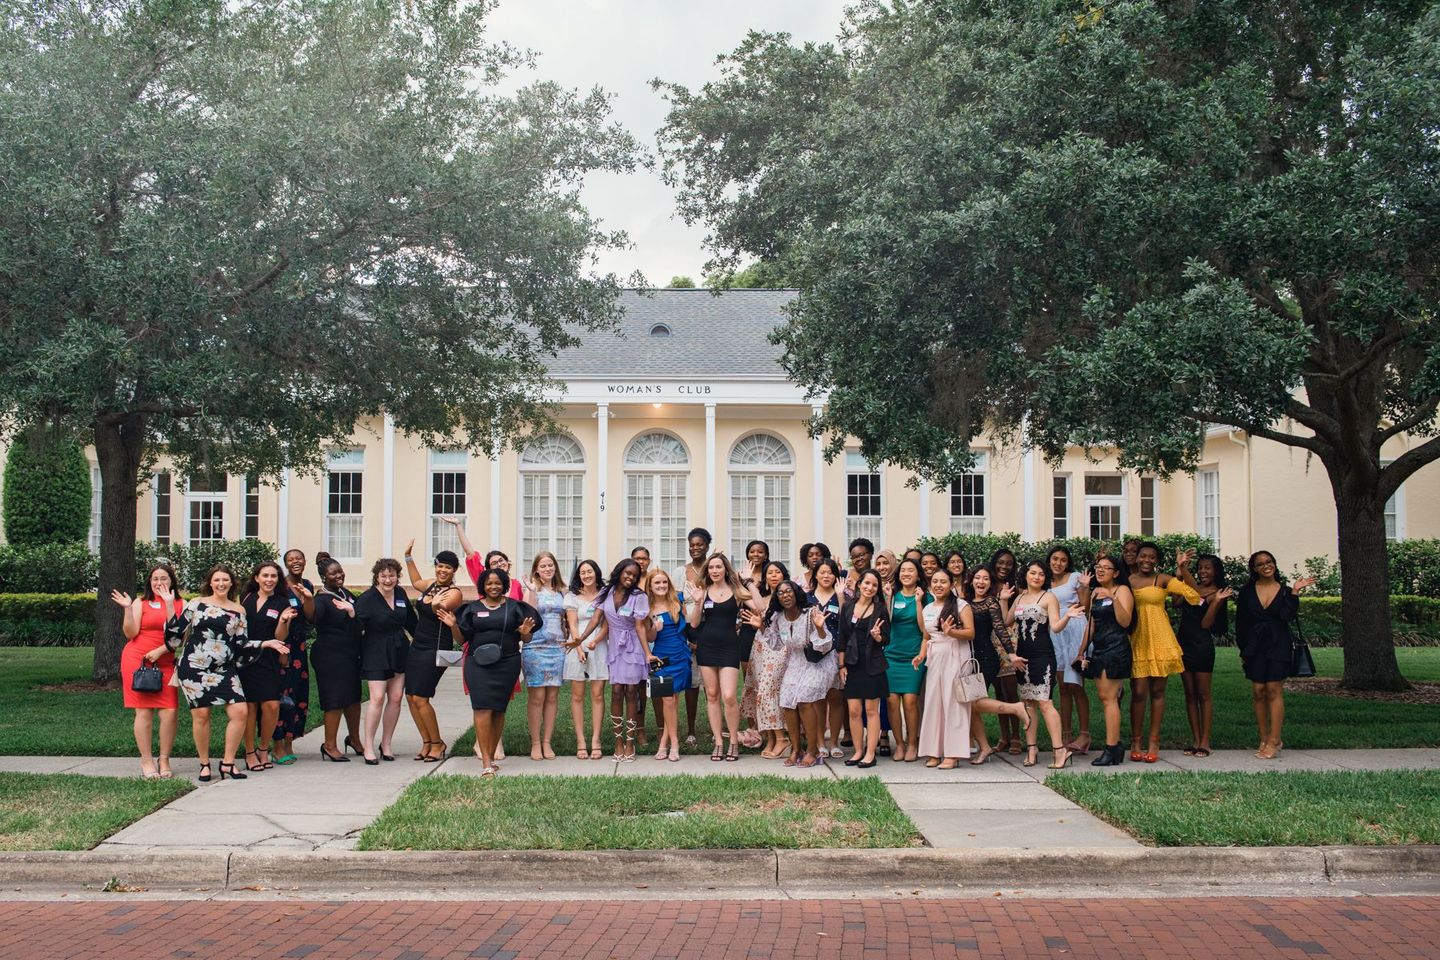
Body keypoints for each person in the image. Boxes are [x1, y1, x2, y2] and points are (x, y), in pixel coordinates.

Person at [165, 565, 288, 782]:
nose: (221, 584)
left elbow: (240, 642)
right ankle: (204, 764)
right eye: (217, 580)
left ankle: (228, 763)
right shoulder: (197, 603)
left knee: (240, 712)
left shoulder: (238, 610)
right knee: (202, 716)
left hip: (224, 668)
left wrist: (266, 643)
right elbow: (175, 635)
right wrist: (168, 606)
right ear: (210, 583)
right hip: (194, 667)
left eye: (225, 580)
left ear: (232, 584)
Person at [450, 568, 539, 776]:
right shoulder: (470, 609)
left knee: (499, 709)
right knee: (482, 708)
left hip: (507, 663)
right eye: (489, 583)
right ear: (483, 585)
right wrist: (454, 626)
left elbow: (526, 639)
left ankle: (490, 753)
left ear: (504, 585)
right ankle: (486, 762)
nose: (493, 586)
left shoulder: (515, 608)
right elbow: (462, 640)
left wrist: (525, 634)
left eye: (498, 583)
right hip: (477, 664)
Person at [1004, 561, 1084, 769]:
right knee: (1028, 703)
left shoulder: (1049, 597)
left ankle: (1060, 750)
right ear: (1026, 575)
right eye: (1033, 573)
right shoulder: (1020, 597)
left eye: (1041, 574)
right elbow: (1006, 621)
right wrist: (1004, 600)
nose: (1036, 577)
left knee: (1045, 702)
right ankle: (1032, 748)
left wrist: (1067, 615)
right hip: (1023, 656)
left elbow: (1056, 627)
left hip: (1043, 656)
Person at [1237, 551, 1316, 760]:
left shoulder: (1285, 591)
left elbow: (1286, 616)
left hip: (1278, 644)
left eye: (1269, 562)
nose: (1265, 566)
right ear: (1254, 568)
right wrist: (1243, 649)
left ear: (1275, 564)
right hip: (1254, 646)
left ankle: (1275, 739)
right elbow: (1241, 623)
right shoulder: (1246, 592)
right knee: (1258, 690)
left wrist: (1295, 593)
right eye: (1260, 564)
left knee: (1273, 689)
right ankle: (1263, 737)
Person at [1127, 542, 1200, 763]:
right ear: (1136, 558)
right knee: (1138, 692)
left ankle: (1154, 741)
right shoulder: (1128, 581)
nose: (1146, 560)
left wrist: (1183, 570)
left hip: (1160, 639)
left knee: (1158, 691)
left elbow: (1193, 595)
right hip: (1137, 638)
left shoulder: (1164, 579)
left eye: (1151, 557)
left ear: (1157, 560)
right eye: (1142, 556)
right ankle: (1136, 740)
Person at [577, 558, 655, 761]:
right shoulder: (606, 593)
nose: (631, 577)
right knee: (616, 692)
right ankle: (618, 742)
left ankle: (630, 743)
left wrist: (647, 653)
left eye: (635, 576)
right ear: (619, 571)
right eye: (628, 573)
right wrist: (582, 638)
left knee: (631, 692)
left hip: (633, 646)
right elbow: (596, 619)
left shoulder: (639, 596)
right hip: (615, 647)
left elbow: (639, 627)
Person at [110, 563, 184, 779]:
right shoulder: (141, 602)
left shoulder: (181, 603)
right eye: (155, 579)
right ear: (149, 582)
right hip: (139, 660)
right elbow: (130, 633)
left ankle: (164, 759)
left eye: (164, 578)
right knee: (144, 712)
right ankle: (146, 760)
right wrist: (127, 609)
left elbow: (178, 636)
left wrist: (170, 606)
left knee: (170, 712)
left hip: (165, 659)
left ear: (172, 581)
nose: (159, 582)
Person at [685, 552, 753, 761]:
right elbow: (694, 623)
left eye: (718, 567)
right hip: (707, 647)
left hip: (730, 647)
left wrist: (749, 581)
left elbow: (759, 607)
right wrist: (697, 603)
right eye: (711, 568)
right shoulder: (703, 592)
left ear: (726, 569)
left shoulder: (736, 589)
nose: (714, 571)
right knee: (712, 695)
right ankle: (718, 742)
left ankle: (733, 740)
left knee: (729, 695)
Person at [402, 544, 464, 762]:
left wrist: (435, 603)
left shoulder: (454, 593)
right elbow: (416, 581)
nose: (442, 570)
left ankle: (438, 743)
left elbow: (440, 610)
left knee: (421, 697)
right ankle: (426, 742)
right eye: (440, 566)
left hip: (436, 646)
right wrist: (408, 557)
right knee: (410, 697)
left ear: (454, 570)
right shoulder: (429, 585)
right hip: (417, 645)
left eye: (448, 567)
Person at [354, 558, 416, 764]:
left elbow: (411, 623)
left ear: (398, 577)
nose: (388, 580)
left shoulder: (400, 594)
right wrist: (350, 613)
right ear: (377, 577)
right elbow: (355, 628)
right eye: (384, 576)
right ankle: (369, 746)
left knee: (396, 697)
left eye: (392, 575)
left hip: (399, 649)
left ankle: (386, 743)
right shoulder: (367, 598)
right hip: (375, 650)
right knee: (378, 698)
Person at [768, 578, 835, 767]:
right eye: (780, 593)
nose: (785, 595)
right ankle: (796, 749)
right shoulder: (778, 617)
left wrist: (820, 628)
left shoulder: (810, 613)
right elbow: (776, 645)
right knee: (787, 701)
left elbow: (825, 645)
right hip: (796, 661)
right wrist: (761, 627)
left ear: (796, 593)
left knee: (805, 698)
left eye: (789, 591)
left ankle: (813, 750)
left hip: (818, 661)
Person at [239, 561, 298, 771]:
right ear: (256, 578)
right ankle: (249, 752)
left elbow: (280, 636)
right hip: (244, 659)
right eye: (265, 575)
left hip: (268, 659)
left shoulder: (282, 603)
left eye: (273, 576)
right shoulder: (245, 599)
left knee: (271, 705)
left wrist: (283, 620)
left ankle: (264, 749)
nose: (269, 580)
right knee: (249, 707)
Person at [914, 569, 975, 768]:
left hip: (955, 655)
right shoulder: (927, 608)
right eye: (935, 581)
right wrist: (921, 655)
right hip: (935, 658)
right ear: (930, 585)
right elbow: (926, 637)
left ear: (951, 585)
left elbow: (971, 633)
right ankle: (933, 751)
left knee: (953, 703)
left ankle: (953, 753)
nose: (939, 585)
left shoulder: (961, 605)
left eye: (943, 581)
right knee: (933, 703)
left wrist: (952, 632)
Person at [1079, 555, 1135, 766]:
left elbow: (1125, 621)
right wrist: (1081, 651)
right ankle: (1115, 747)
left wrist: (1112, 597)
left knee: (1109, 698)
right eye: (1098, 567)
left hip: (1116, 648)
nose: (1100, 571)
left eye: (1106, 568)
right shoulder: (1095, 592)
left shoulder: (1122, 590)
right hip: (1099, 649)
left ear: (1116, 572)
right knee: (1105, 697)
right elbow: (1091, 624)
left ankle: (1112, 748)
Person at [967, 565, 1025, 760]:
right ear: (971, 580)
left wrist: (1011, 654)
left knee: (974, 703)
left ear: (990, 583)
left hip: (986, 659)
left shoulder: (990, 603)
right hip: (968, 659)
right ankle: (983, 747)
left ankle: (1015, 708)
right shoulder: (964, 602)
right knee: (969, 704)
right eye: (977, 577)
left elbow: (1000, 629)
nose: (980, 582)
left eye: (985, 579)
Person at [1178, 554, 1232, 759]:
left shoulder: (1219, 593)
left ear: (1216, 571)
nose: (1202, 572)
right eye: (1200, 568)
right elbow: (1177, 601)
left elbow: (1206, 624)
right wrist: (1181, 574)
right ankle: (1195, 739)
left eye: (1207, 568)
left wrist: (1217, 602)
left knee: (1203, 694)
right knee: (1189, 694)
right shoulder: (1191, 588)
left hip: (1202, 647)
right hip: (1183, 644)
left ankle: (1205, 741)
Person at [310, 556, 363, 762]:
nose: (339, 575)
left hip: (350, 654)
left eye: (340, 571)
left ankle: (354, 739)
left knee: (353, 698)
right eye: (334, 573)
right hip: (329, 655)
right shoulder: (322, 600)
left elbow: (358, 622)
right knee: (335, 699)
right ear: (324, 577)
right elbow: (313, 618)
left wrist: (352, 614)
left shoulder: (345, 594)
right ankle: (329, 745)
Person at [742, 560, 792, 758]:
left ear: (784, 575)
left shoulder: (787, 596)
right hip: (760, 647)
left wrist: (749, 582)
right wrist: (740, 579)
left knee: (768, 691)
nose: (773, 575)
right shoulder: (761, 595)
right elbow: (743, 596)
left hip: (778, 649)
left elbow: (762, 608)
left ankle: (782, 738)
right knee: (760, 692)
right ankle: (771, 737)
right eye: (769, 572)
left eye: (777, 572)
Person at [840, 569, 889, 768]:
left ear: (877, 589)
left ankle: (870, 752)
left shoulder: (880, 609)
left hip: (873, 663)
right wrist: (841, 665)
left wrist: (878, 637)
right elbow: (842, 639)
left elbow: (887, 638)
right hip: (852, 663)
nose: (870, 587)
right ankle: (858, 751)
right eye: (867, 583)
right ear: (859, 584)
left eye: (874, 585)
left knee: (871, 710)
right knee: (853, 710)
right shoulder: (848, 607)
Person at [523, 551, 569, 761]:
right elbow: (529, 615)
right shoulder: (532, 590)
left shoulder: (562, 590)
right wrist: (532, 591)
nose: (548, 569)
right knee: (537, 696)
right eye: (543, 566)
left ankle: (547, 742)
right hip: (535, 647)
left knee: (552, 697)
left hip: (557, 648)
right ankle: (535, 743)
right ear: (536, 570)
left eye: (551, 565)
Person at [1047, 547, 1092, 755]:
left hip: (1073, 629)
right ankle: (1065, 733)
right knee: (1063, 686)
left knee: (1076, 685)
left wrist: (1084, 587)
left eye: (1063, 560)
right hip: (1055, 632)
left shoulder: (1075, 578)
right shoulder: (1045, 581)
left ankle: (1084, 734)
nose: (1058, 563)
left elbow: (1085, 606)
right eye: (1055, 559)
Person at [883, 558, 929, 763]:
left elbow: (924, 629)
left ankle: (912, 743)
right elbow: (885, 623)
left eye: (911, 570)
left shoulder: (924, 597)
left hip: (914, 656)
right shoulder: (892, 595)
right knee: (892, 700)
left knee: (910, 700)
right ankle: (899, 744)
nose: (906, 573)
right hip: (891, 655)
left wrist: (918, 603)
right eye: (903, 570)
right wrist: (887, 598)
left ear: (918, 575)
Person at [670, 528, 712, 747]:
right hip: (687, 632)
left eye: (700, 544)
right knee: (692, 683)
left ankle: (716, 730)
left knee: (712, 684)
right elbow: (676, 605)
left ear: (707, 545)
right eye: (692, 544)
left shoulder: (714, 569)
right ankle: (691, 730)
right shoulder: (680, 573)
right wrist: (688, 638)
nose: (695, 548)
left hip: (711, 631)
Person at [273, 549, 315, 764]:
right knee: (282, 695)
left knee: (298, 695)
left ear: (305, 561)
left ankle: (289, 742)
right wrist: (283, 650)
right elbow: (280, 619)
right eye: (291, 559)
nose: (295, 562)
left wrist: (307, 598)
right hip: (284, 645)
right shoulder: (280, 587)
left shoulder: (306, 585)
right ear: (285, 564)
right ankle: (277, 745)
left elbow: (309, 617)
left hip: (300, 646)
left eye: (299, 558)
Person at [645, 568, 692, 761]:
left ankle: (665, 741)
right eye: (657, 583)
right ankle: (674, 743)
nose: (661, 586)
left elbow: (688, 627)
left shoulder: (676, 602)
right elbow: (648, 638)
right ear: (650, 586)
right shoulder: (646, 608)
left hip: (679, 655)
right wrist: (654, 629)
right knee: (667, 700)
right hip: (659, 658)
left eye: (664, 582)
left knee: (672, 699)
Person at [564, 560, 608, 759]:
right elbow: (572, 623)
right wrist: (578, 645)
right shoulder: (572, 597)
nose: (586, 575)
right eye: (582, 572)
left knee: (598, 694)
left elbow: (608, 624)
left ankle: (596, 740)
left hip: (599, 646)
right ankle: (581, 740)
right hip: (577, 645)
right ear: (578, 576)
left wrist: (596, 641)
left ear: (596, 573)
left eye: (589, 571)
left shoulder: (605, 594)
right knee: (577, 695)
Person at [807, 558, 850, 759]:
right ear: (815, 574)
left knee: (835, 697)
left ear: (836, 575)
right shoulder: (806, 598)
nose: (826, 576)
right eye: (822, 572)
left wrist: (841, 596)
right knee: (817, 698)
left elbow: (847, 621)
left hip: (835, 652)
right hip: (813, 654)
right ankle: (819, 741)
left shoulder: (841, 596)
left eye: (830, 573)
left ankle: (833, 741)